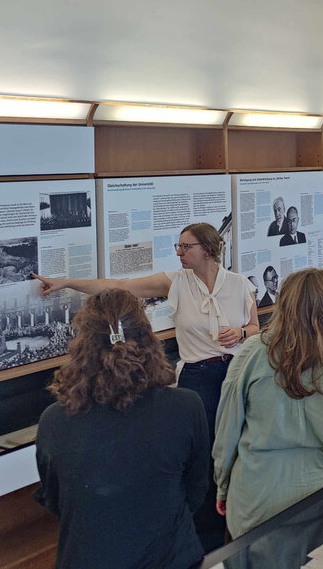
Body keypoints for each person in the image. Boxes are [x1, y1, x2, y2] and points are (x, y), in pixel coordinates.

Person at [33, 221, 258, 550]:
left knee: (236, 449)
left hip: (235, 372)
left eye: (187, 247)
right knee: (203, 457)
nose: (179, 253)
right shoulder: (175, 282)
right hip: (197, 377)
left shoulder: (239, 285)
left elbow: (255, 326)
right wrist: (67, 282)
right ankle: (206, 535)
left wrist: (241, 333)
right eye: (178, 247)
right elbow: (119, 286)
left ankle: (239, 526)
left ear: (208, 250)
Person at [34, 288, 210, 569]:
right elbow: (196, 488)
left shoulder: (54, 420)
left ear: (82, 345)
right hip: (170, 557)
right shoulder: (185, 407)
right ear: (147, 338)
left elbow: (58, 502)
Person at [213, 268, 323, 538]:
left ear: (282, 303)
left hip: (255, 500)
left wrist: (223, 486)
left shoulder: (250, 354)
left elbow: (227, 435)